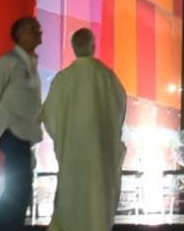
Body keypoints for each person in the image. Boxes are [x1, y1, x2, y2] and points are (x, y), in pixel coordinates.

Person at [42, 29, 127, 230]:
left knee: (72, 201)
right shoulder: (107, 77)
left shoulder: (63, 79)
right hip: (100, 155)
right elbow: (119, 110)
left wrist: (65, 139)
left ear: (73, 48)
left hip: (73, 155)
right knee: (98, 202)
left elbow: (49, 115)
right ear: (93, 46)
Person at [0, 17, 43, 231]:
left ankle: (6, 226)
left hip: (24, 133)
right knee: (19, 187)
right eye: (32, 29)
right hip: (11, 130)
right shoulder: (8, 62)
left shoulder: (31, 63)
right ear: (19, 35)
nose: (39, 31)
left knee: (20, 188)